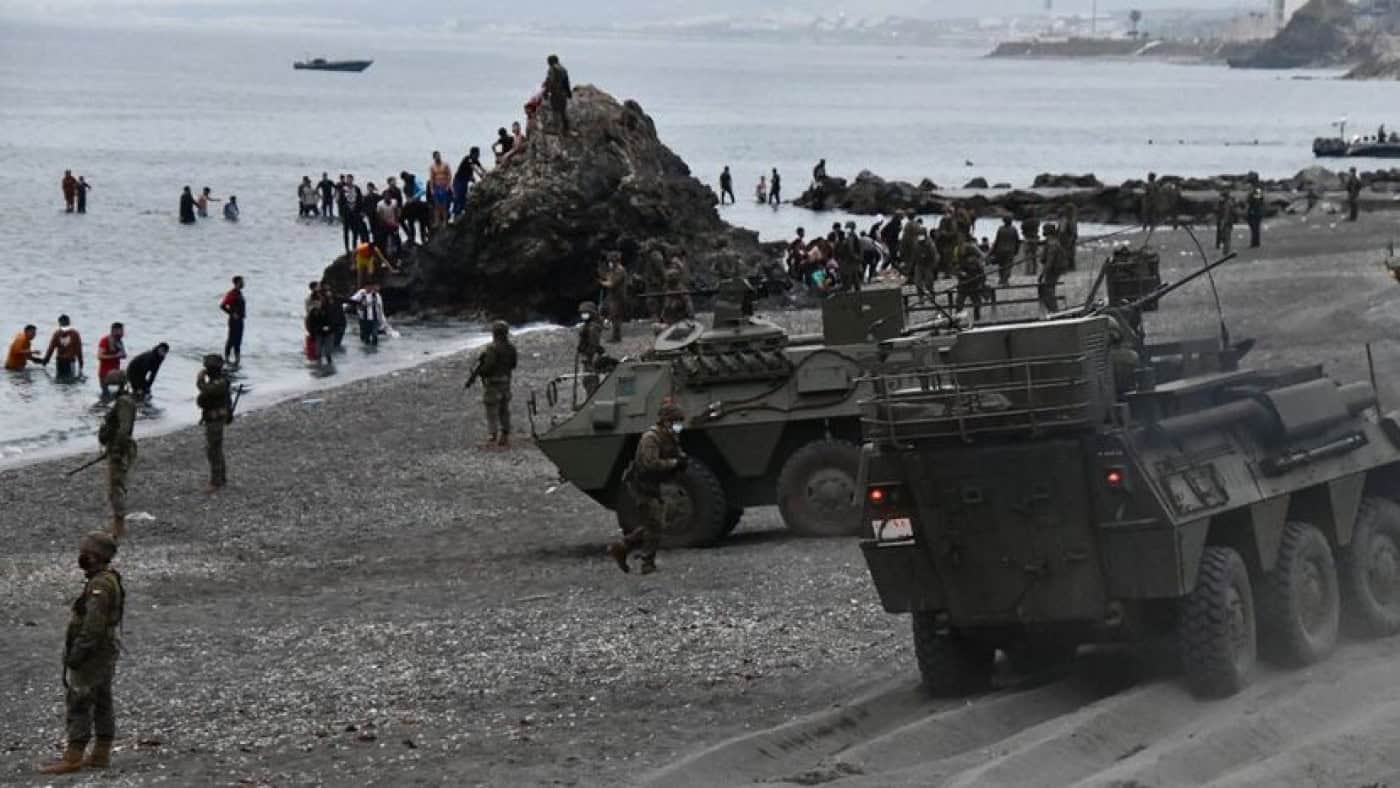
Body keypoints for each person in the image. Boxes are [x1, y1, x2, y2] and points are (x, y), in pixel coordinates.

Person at [36, 531, 125, 775]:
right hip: (105, 651)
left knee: (79, 702)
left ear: (96, 556)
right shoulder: (108, 579)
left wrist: (77, 654)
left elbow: (93, 625)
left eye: (85, 551)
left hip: (94, 653)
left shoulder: (100, 585)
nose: (81, 556)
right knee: (103, 701)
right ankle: (100, 754)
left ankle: (74, 757)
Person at [607, 402, 687, 575]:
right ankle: (647, 563)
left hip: (655, 483)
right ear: (666, 421)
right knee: (655, 524)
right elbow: (650, 463)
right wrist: (673, 463)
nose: (679, 425)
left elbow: (675, 452)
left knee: (659, 522)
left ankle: (623, 546)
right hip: (641, 485)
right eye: (676, 421)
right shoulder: (650, 438)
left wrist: (681, 460)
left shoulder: (670, 436)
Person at [98, 370, 136, 538]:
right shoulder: (123, 401)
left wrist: (116, 450)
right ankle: (117, 522)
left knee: (116, 486)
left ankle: (119, 526)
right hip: (116, 448)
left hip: (118, 450)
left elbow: (124, 429)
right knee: (115, 485)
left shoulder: (124, 403)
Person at [473, 321, 518, 448]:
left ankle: (493, 435)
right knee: (504, 409)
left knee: (491, 409)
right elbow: (514, 364)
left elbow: (488, 366)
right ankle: (505, 434)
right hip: (506, 381)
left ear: (495, 333)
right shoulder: (511, 348)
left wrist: (481, 372)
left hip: (493, 383)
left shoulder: (492, 349)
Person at [196, 354, 233, 491]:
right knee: (215, 448)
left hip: (215, 419)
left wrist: (200, 379)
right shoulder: (219, 380)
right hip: (212, 417)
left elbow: (206, 390)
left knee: (214, 450)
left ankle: (216, 481)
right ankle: (221, 477)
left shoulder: (219, 383)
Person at [43, 315, 84, 380]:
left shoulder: (57, 333)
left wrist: (46, 360)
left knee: (59, 379)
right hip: (70, 361)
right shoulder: (75, 334)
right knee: (70, 380)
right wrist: (81, 363)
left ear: (59, 323)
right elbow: (79, 349)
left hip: (60, 361)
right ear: (69, 322)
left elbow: (51, 348)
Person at [576, 301, 604, 395]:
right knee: (588, 380)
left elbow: (593, 344)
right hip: (589, 357)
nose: (583, 315)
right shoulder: (588, 326)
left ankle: (591, 400)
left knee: (590, 380)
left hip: (590, 358)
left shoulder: (592, 328)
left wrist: (587, 353)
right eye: (582, 313)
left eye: (585, 313)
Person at [1038, 223, 1067, 314]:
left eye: (1044, 230)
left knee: (1047, 290)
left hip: (1052, 270)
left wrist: (1043, 273)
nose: (1042, 231)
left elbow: (1050, 261)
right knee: (1050, 289)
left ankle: (1054, 310)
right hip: (1054, 270)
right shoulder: (1053, 241)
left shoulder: (1052, 243)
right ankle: (1052, 310)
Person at [599, 255, 628, 343]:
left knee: (616, 317)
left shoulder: (620, 270)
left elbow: (612, 283)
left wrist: (602, 283)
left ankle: (616, 337)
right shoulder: (613, 270)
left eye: (611, 261)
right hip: (612, 296)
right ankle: (613, 334)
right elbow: (608, 278)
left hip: (618, 297)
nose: (609, 263)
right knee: (606, 311)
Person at [96, 323, 126, 402]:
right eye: (121, 331)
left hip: (115, 373)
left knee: (127, 376)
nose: (123, 333)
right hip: (105, 374)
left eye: (123, 331)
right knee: (106, 398)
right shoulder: (105, 340)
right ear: (114, 331)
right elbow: (99, 356)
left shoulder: (119, 342)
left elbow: (124, 355)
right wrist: (115, 356)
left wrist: (121, 353)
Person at [220, 276, 246, 366]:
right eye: (242, 282)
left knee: (238, 341)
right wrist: (232, 313)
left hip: (241, 320)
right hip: (234, 320)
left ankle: (237, 359)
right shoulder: (232, 293)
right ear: (237, 283)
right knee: (231, 339)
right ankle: (226, 358)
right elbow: (223, 305)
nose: (243, 283)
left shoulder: (239, 293)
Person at [453, 147, 485, 218]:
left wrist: (486, 173)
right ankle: (454, 213)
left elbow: (481, 168)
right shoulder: (468, 159)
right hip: (459, 180)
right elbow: (473, 167)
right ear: (473, 154)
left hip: (465, 180)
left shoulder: (475, 160)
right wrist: (480, 175)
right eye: (477, 154)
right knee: (458, 195)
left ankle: (461, 211)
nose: (478, 156)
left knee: (463, 196)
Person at [545, 54, 572, 134]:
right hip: (563, 93)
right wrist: (569, 93)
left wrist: (546, 92)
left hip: (555, 93)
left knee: (555, 111)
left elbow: (550, 82)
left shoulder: (551, 69)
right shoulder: (563, 69)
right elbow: (566, 82)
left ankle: (556, 129)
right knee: (563, 112)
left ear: (551, 62)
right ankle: (566, 129)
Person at [991, 216, 1020, 286]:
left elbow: (997, 240)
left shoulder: (1000, 229)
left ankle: (1001, 279)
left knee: (1001, 265)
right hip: (1010, 250)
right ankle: (1005, 280)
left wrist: (993, 251)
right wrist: (1016, 250)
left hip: (1000, 250)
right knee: (1008, 266)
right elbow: (1017, 241)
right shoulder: (1013, 229)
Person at [305, 298, 334, 367]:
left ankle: (330, 366)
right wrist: (312, 333)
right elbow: (309, 323)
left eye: (318, 302)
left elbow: (332, 320)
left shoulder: (327, 310)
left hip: (328, 333)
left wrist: (329, 327)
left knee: (328, 352)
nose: (317, 304)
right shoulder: (313, 312)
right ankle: (319, 366)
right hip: (318, 334)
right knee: (318, 352)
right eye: (315, 303)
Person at [429, 151, 452, 227]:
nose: (437, 157)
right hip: (436, 187)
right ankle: (437, 221)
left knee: (444, 205)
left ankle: (445, 222)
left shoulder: (445, 165)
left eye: (438, 156)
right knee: (437, 205)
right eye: (436, 156)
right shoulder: (432, 167)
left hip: (444, 187)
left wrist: (448, 186)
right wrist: (432, 189)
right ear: (434, 158)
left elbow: (449, 175)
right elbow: (431, 178)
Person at [1214, 190, 1236, 255]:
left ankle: (1225, 251)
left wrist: (1223, 223)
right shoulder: (1225, 203)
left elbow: (1226, 214)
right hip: (1226, 222)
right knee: (1225, 237)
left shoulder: (1227, 204)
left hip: (1226, 223)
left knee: (1226, 237)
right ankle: (1225, 250)